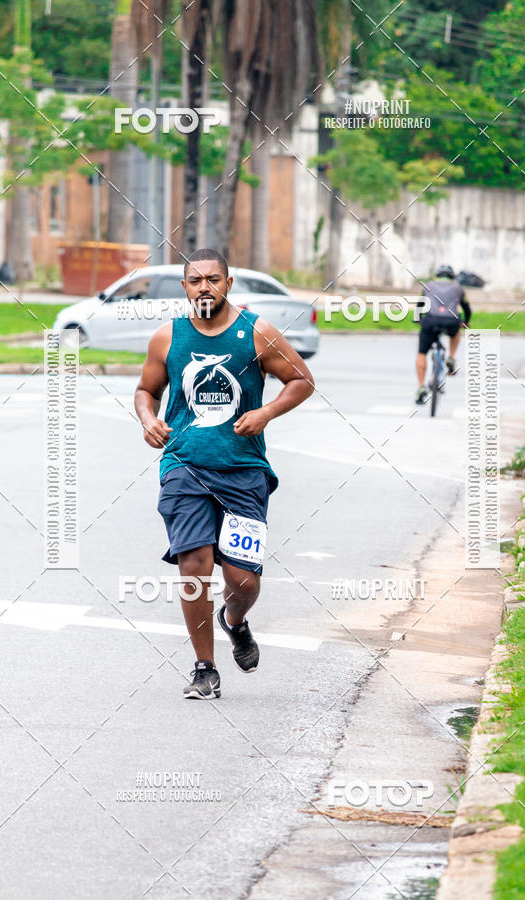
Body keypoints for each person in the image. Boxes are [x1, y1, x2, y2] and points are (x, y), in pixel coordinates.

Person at [134, 249, 315, 700]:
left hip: (243, 470)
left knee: (241, 579)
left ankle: (234, 621)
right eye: (195, 281)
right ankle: (204, 668)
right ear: (185, 288)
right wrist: (148, 419)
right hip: (184, 465)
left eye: (213, 279)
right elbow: (145, 391)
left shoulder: (255, 332)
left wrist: (267, 412)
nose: (204, 288)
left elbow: (302, 380)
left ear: (229, 284)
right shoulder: (167, 337)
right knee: (194, 565)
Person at [415, 264, 471, 404]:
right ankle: (451, 357)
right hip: (451, 321)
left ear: (437, 276)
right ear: (452, 277)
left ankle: (421, 386)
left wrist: (418, 320)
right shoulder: (458, 288)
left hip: (431, 320)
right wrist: (466, 322)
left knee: (422, 353)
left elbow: (419, 306)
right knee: (456, 331)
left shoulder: (428, 285)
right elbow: (467, 309)